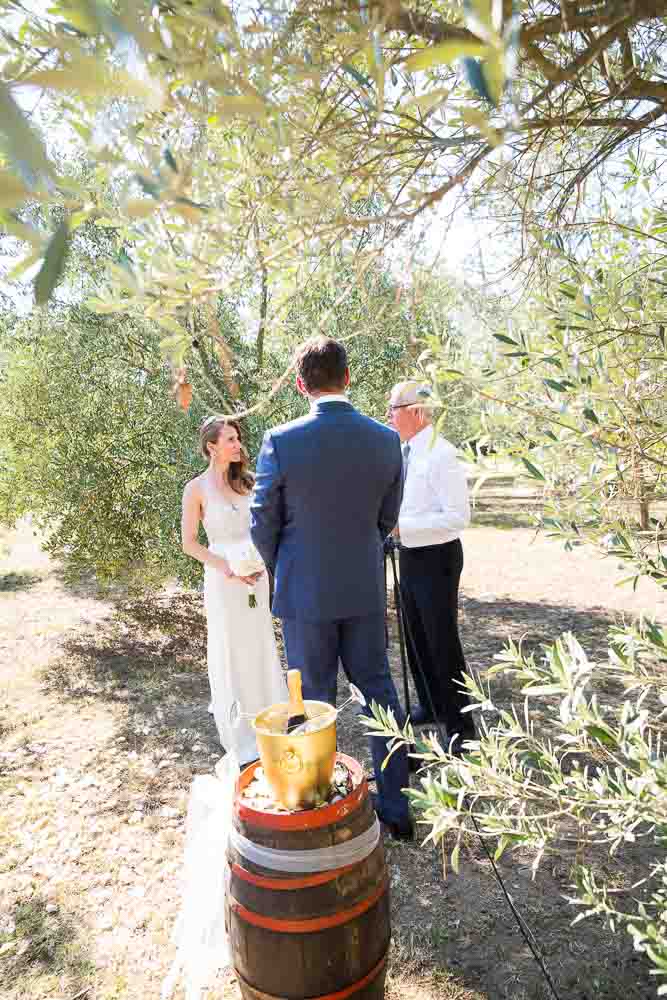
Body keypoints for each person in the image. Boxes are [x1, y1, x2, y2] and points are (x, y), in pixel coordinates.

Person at [250, 336, 413, 839]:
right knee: (378, 692)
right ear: (348, 378)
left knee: (311, 699)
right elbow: (388, 516)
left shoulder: (281, 440)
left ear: (302, 385)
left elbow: (262, 522)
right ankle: (397, 806)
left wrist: (288, 565)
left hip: (305, 593)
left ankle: (316, 800)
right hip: (362, 586)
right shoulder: (386, 440)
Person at [181, 416, 286, 766]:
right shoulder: (195, 489)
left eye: (237, 438)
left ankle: (273, 719)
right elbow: (189, 543)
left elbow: (265, 528)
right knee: (232, 647)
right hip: (223, 578)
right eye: (229, 439)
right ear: (211, 446)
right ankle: (240, 733)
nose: (237, 444)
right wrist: (223, 566)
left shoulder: (249, 482)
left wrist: (262, 562)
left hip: (255, 575)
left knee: (260, 643)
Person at [387, 381, 475, 745]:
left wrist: (402, 527)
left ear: (416, 411)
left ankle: (460, 725)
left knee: (441, 641)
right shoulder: (404, 451)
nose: (388, 416)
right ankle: (430, 705)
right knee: (415, 637)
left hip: (437, 558)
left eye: (393, 409)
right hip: (409, 554)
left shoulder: (442, 453)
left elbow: (458, 517)